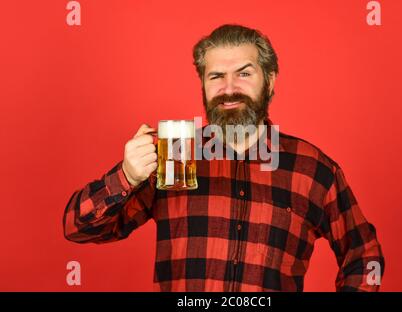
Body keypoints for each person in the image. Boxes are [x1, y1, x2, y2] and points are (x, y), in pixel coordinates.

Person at [63, 24, 385, 291]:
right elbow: (77, 227)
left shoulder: (312, 169)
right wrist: (127, 176)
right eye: (216, 76)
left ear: (270, 81)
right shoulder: (175, 155)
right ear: (202, 84)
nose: (229, 88)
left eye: (244, 73)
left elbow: (364, 255)